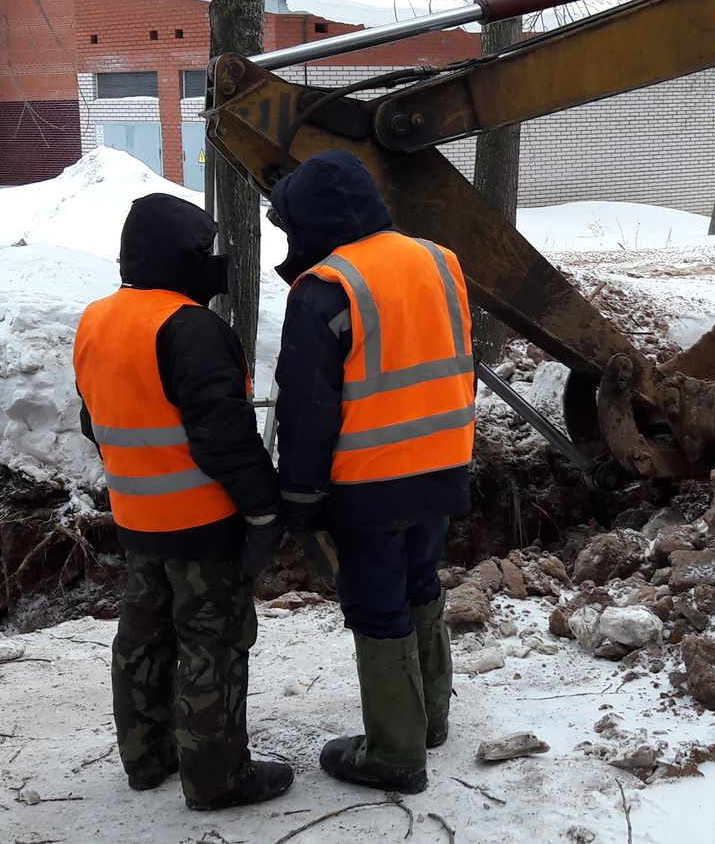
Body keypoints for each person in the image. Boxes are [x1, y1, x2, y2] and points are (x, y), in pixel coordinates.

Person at [73, 193, 292, 810]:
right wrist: (264, 510)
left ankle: (146, 760)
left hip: (136, 518)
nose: (214, 262)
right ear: (180, 256)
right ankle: (218, 779)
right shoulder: (190, 327)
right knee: (211, 645)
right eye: (205, 250)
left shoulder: (97, 319)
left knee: (142, 638)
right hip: (203, 523)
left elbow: (93, 421)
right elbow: (225, 437)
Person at [271, 151, 474, 795]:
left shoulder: (327, 288)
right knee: (420, 584)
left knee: (376, 605)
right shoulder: (438, 259)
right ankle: (429, 720)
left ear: (310, 220)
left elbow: (307, 408)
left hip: (369, 481)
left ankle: (393, 753)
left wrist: (300, 497)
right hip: (442, 463)